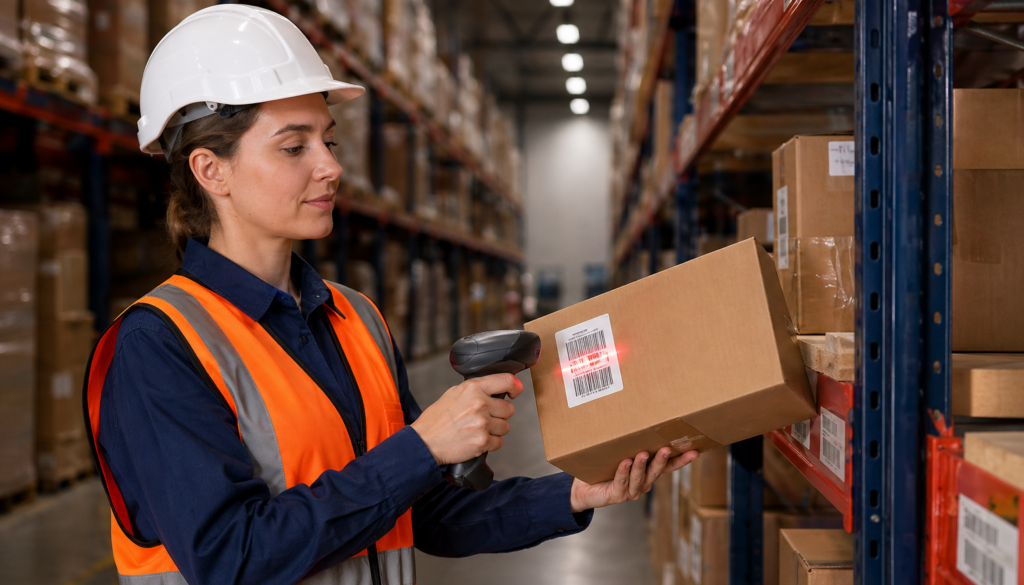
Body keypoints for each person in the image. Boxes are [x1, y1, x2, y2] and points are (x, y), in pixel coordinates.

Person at [84, 5, 699, 585]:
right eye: (294, 147)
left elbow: (423, 514)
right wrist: (422, 446)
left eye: (329, 141)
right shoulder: (157, 346)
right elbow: (232, 559)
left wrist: (574, 492)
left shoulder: (356, 319)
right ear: (210, 171)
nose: (330, 167)